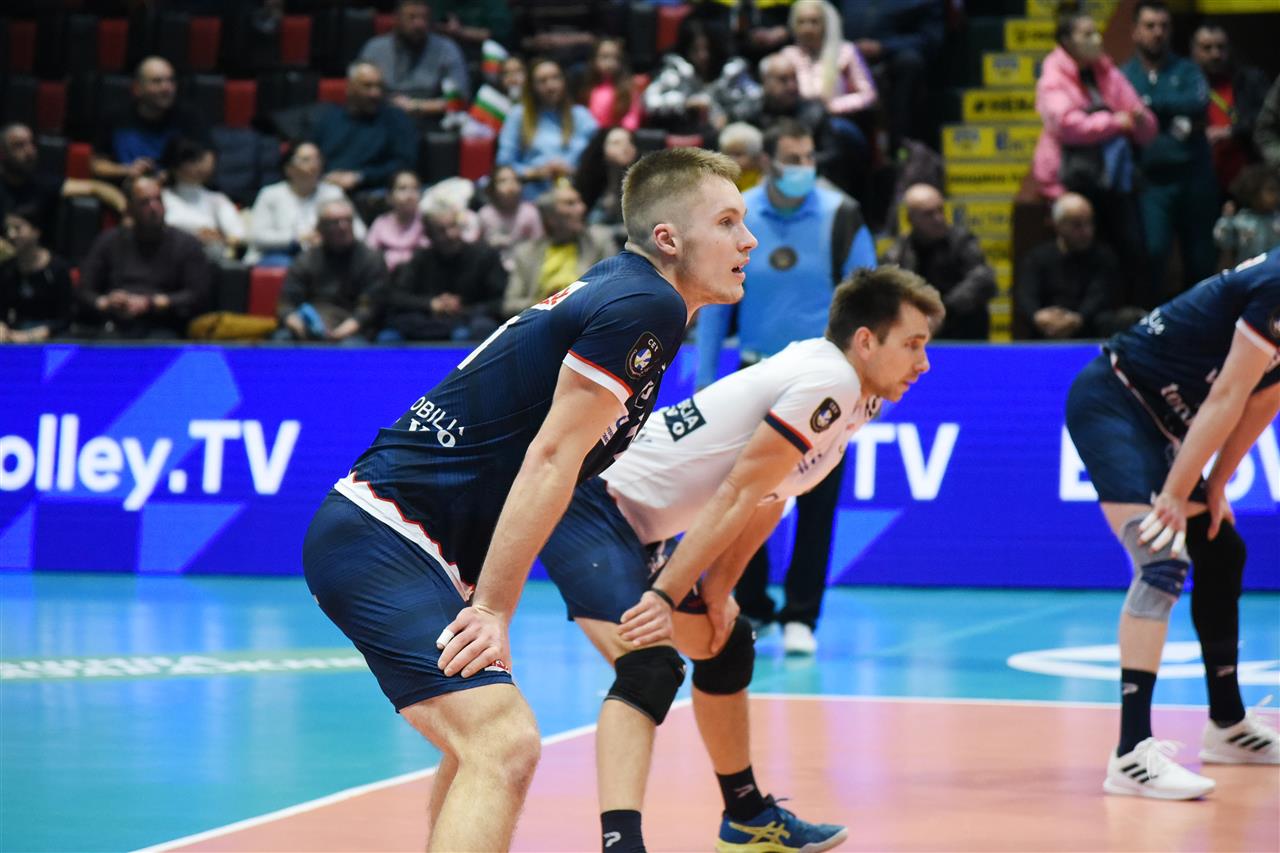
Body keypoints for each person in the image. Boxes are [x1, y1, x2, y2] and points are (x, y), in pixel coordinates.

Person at [300, 147, 755, 851]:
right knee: (503, 742)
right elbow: (551, 457)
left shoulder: (624, 290)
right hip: (388, 535)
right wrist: (492, 608)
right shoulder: (649, 303)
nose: (747, 240)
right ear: (668, 238)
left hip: (398, 540)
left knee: (476, 745)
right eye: (726, 222)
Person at [540, 266, 942, 852]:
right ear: (865, 340)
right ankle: (621, 843)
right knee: (648, 667)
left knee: (726, 645)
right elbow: (737, 493)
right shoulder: (829, 380)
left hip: (642, 528)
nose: (923, 363)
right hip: (590, 506)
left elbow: (771, 497)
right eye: (912, 344)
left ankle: (747, 816)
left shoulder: (858, 397)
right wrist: (665, 596)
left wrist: (716, 593)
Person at [1065, 247, 1280, 801]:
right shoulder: (1278, 283)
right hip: (1114, 400)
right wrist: (1175, 493)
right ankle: (1130, 753)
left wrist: (1217, 483)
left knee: (1221, 549)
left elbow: (1262, 399)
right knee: (1160, 560)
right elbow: (1227, 395)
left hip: (1166, 424)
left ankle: (1228, 725)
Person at [696, 120, 876, 654]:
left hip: (828, 381)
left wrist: (866, 380)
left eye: (808, 157)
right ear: (768, 162)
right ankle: (751, 603)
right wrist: (705, 380)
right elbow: (713, 301)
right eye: (792, 158)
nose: (803, 167)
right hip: (754, 376)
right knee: (745, 494)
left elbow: (868, 302)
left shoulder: (841, 214)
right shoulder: (737, 213)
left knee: (817, 501)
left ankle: (802, 615)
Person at [1032, 10, 1155, 299]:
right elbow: (1068, 126)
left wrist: (1139, 120)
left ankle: (1132, 316)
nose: (1097, 39)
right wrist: (1116, 122)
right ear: (1067, 40)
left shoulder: (1106, 71)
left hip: (1115, 181)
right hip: (1072, 181)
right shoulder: (1053, 77)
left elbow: (1145, 124)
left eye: (1096, 32)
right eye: (1087, 34)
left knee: (1132, 251)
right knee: (1087, 259)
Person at [1121, 0, 1218, 305]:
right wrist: (1170, 112)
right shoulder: (1124, 75)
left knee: (1201, 260)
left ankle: (1203, 325)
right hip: (1152, 182)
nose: (1158, 32)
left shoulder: (1188, 69)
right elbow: (1122, 112)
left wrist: (1150, 106)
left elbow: (1197, 103)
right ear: (1135, 31)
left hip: (1194, 177)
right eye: (1150, 26)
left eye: (1164, 26)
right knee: (1154, 253)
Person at [78, 175, 211, 339]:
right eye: (144, 202)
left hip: (166, 326)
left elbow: (198, 294)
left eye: (158, 200)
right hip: (114, 323)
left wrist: (152, 303)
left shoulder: (186, 244)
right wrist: (106, 302)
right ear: (130, 208)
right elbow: (83, 290)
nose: (154, 207)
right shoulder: (109, 242)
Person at [380, 195, 506, 342]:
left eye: (453, 226)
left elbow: (500, 301)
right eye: (441, 230)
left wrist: (461, 309)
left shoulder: (484, 256)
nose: (450, 235)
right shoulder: (421, 259)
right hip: (428, 322)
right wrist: (432, 303)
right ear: (429, 235)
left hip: (469, 320)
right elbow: (396, 297)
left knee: (474, 329)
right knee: (390, 335)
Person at [1016, 193, 1137, 340]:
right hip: (1045, 332)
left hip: (1091, 333)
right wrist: (1038, 316)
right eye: (1077, 225)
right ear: (1058, 225)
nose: (1087, 232)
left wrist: (1077, 319)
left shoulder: (1103, 257)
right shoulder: (1037, 257)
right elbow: (1026, 295)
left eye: (1089, 223)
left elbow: (1100, 297)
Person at [883, 183, 996, 340]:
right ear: (910, 218)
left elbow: (984, 280)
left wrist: (943, 310)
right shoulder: (899, 252)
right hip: (920, 337)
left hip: (964, 334)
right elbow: (887, 292)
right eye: (928, 214)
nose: (939, 218)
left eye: (940, 210)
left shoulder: (962, 241)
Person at [275, 198, 388, 344]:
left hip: (352, 329)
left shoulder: (371, 259)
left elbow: (371, 307)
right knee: (280, 340)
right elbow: (286, 302)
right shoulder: (306, 259)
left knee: (350, 348)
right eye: (335, 222)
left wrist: (342, 332)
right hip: (309, 327)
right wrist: (296, 323)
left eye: (347, 221)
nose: (343, 226)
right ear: (320, 227)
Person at [504, 182, 618, 318]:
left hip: (588, 319)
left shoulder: (599, 241)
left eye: (580, 202)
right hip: (541, 322)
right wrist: (546, 303)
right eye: (570, 204)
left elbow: (614, 288)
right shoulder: (526, 253)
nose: (582, 208)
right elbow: (509, 305)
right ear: (551, 218)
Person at [246, 141, 366, 267]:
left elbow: (360, 233)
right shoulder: (270, 194)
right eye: (306, 160)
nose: (314, 165)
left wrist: (329, 238)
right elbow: (256, 236)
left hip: (325, 256)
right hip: (277, 258)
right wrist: (298, 238)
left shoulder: (333, 193)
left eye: (317, 159)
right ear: (288, 168)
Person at [91, 56, 209, 183]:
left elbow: (207, 161)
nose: (167, 88)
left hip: (176, 190)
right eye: (157, 81)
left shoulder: (189, 117)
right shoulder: (115, 117)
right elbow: (96, 165)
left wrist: (171, 176)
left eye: (171, 80)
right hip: (127, 189)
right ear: (137, 88)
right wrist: (128, 170)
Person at [497, 57, 598, 200]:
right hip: (533, 194)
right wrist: (534, 172)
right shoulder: (519, 115)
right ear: (532, 86)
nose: (551, 86)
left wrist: (571, 168)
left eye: (555, 78)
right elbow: (504, 163)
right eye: (542, 81)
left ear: (564, 81)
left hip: (576, 192)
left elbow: (595, 155)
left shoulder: (581, 115)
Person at [0, 122, 125, 238]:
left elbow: (96, 188)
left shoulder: (42, 183)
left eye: (31, 144)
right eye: (19, 145)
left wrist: (126, 212)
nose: (29, 151)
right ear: (3, 152)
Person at [357, 0, 469, 126]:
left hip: (429, 123)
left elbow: (459, 99)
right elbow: (356, 91)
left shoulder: (447, 49)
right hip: (379, 119)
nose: (419, 24)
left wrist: (416, 106)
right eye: (412, 17)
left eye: (424, 18)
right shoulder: (374, 48)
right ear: (396, 19)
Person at [1189, 23, 1271, 194]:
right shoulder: (1183, 85)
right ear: (1194, 51)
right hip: (1201, 181)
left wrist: (1230, 131)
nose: (1215, 54)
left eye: (1221, 47)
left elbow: (1266, 119)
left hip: (1248, 180)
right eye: (1207, 48)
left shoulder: (1249, 81)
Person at [312, 62, 417, 195]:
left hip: (373, 194)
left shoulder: (396, 119)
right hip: (323, 189)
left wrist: (360, 177)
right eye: (367, 86)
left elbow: (404, 164)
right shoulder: (328, 118)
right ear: (349, 87)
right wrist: (324, 176)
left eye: (379, 86)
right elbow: (312, 153)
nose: (375, 93)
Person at [160, 136, 245, 261]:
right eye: (192, 160)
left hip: (209, 261)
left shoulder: (217, 200)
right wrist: (194, 236)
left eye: (200, 159)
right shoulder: (160, 198)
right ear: (175, 165)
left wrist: (219, 239)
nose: (198, 166)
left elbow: (238, 235)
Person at [0, 206, 75, 343]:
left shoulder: (58, 269)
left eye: (17, 228)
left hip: (52, 339)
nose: (11, 235)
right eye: (8, 229)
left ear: (36, 231)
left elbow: (66, 318)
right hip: (14, 335)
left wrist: (32, 335)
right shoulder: (6, 269)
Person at [1213, 164, 1280, 270]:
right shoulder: (1240, 221)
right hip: (1247, 272)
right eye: (1271, 190)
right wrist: (1227, 220)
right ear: (1254, 192)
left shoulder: (1277, 219)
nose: (1276, 195)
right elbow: (1225, 244)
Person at [477, 165, 543, 271]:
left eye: (515, 180)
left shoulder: (530, 213)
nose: (510, 184)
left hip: (523, 268)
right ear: (492, 188)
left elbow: (539, 245)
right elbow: (478, 246)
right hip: (491, 268)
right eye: (503, 181)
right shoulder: (485, 214)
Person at [366, 170, 429, 271]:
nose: (410, 195)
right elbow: (368, 256)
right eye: (402, 188)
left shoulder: (427, 221)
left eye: (415, 188)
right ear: (389, 197)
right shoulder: (381, 223)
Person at [579, 37, 644, 132]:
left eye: (615, 58)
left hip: (617, 136)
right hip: (592, 135)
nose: (610, 63)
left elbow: (632, 119)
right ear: (594, 60)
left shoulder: (628, 88)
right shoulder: (587, 87)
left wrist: (622, 132)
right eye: (604, 57)